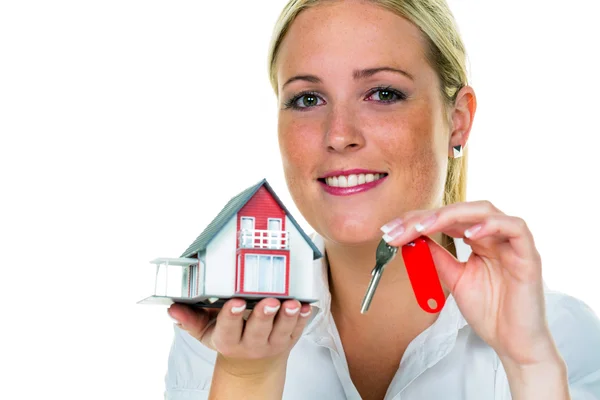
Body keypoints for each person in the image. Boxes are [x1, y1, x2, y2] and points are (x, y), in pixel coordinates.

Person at [165, 0, 600, 399]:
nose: (338, 135)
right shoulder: (223, 330)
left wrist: (529, 368)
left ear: (458, 120)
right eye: (307, 99)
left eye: (383, 93)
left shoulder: (558, 337)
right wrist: (247, 376)